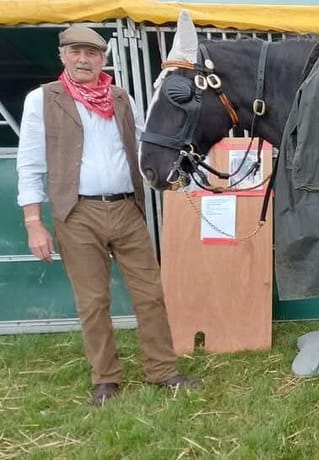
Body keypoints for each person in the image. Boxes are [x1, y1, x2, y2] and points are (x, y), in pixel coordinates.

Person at [16, 25, 201, 406]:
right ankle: (106, 379)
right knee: (93, 301)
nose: (83, 59)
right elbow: (30, 163)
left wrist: (181, 166)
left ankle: (162, 370)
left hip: (126, 207)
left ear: (103, 59)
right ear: (63, 56)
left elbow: (144, 143)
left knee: (150, 294)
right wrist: (34, 223)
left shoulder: (120, 97)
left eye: (91, 53)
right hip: (77, 212)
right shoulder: (42, 99)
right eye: (76, 52)